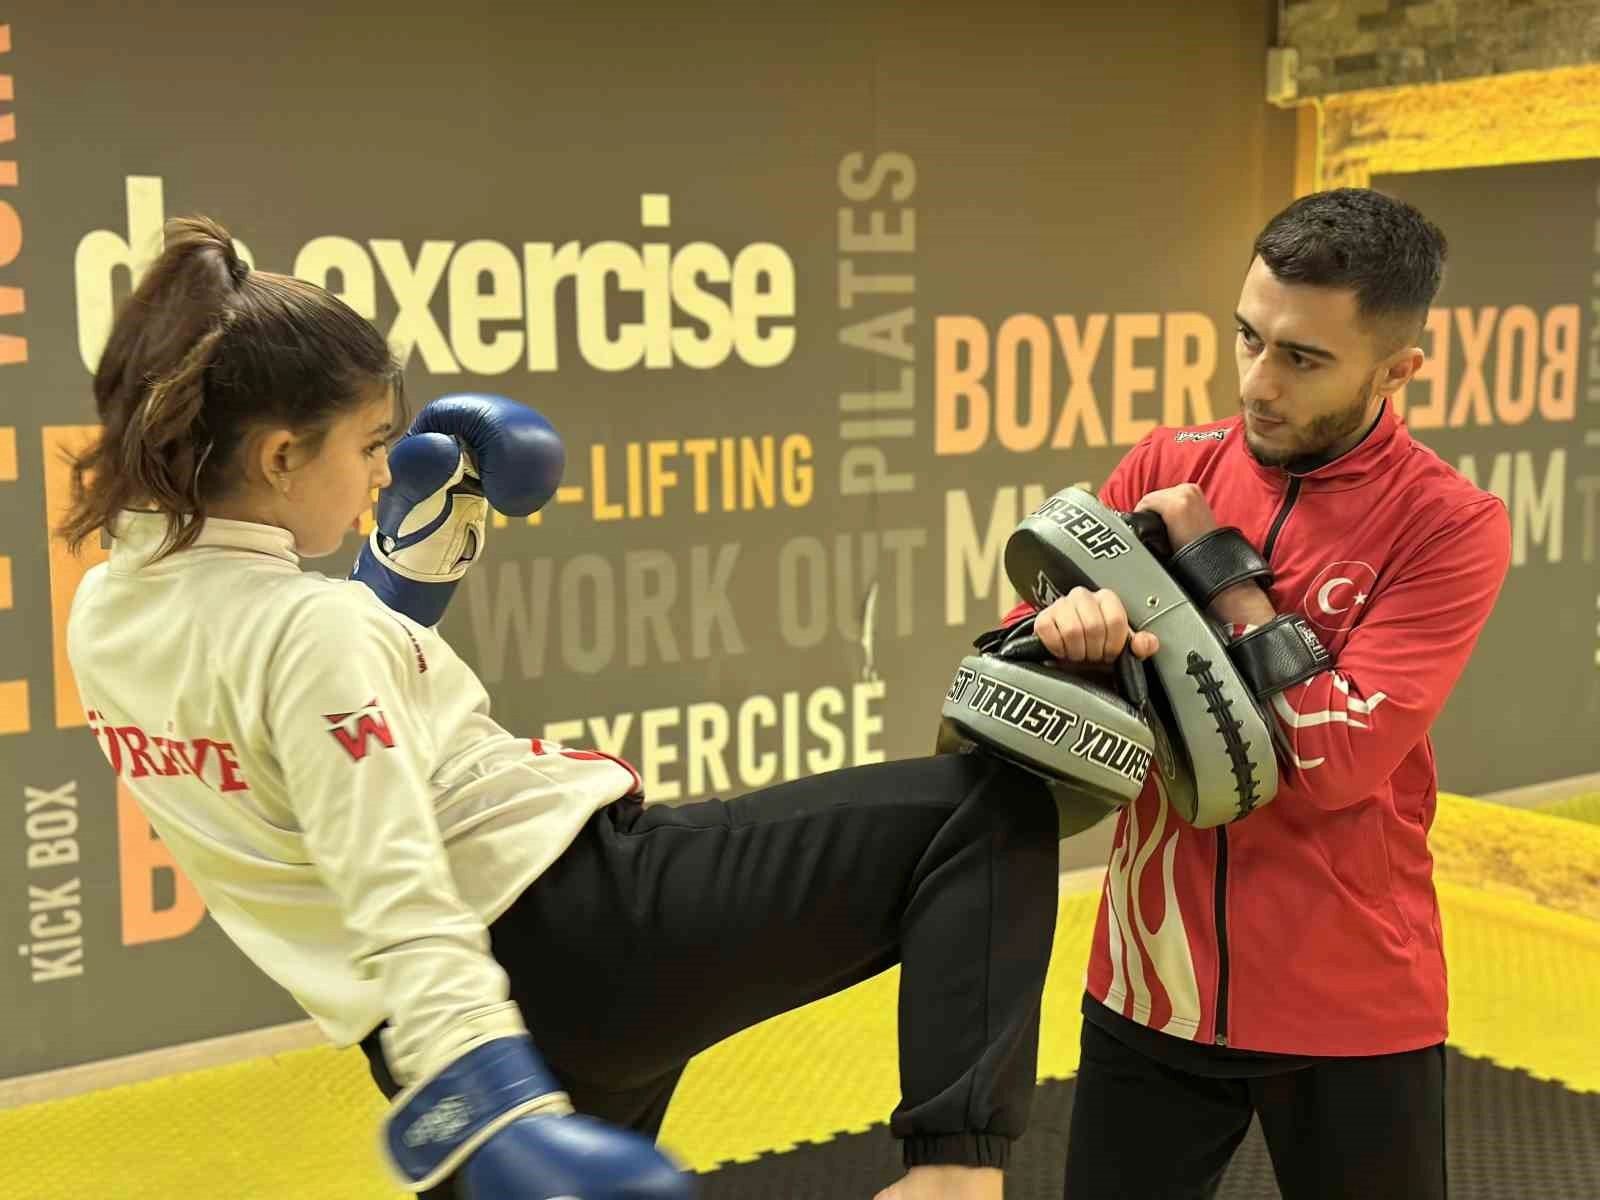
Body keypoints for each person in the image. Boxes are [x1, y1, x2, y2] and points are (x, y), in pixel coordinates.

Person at [60, 217, 1067, 1200]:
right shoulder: (315, 629)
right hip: (578, 931)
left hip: (434, 1030)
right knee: (984, 811)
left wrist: (410, 568)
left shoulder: (107, 610)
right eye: (368, 445)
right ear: (281, 457)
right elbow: (394, 881)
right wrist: (501, 1109)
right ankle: (950, 1176)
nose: (381, 471)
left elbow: (290, 711)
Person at [1009, 188, 1512, 1199]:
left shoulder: (1449, 525)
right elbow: (1024, 674)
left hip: (1350, 1003)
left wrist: (1217, 568)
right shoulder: (1168, 462)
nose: (1257, 383)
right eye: (1249, 337)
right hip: (1150, 983)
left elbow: (1333, 760)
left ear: (1397, 370)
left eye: (1303, 359)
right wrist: (1064, 641)